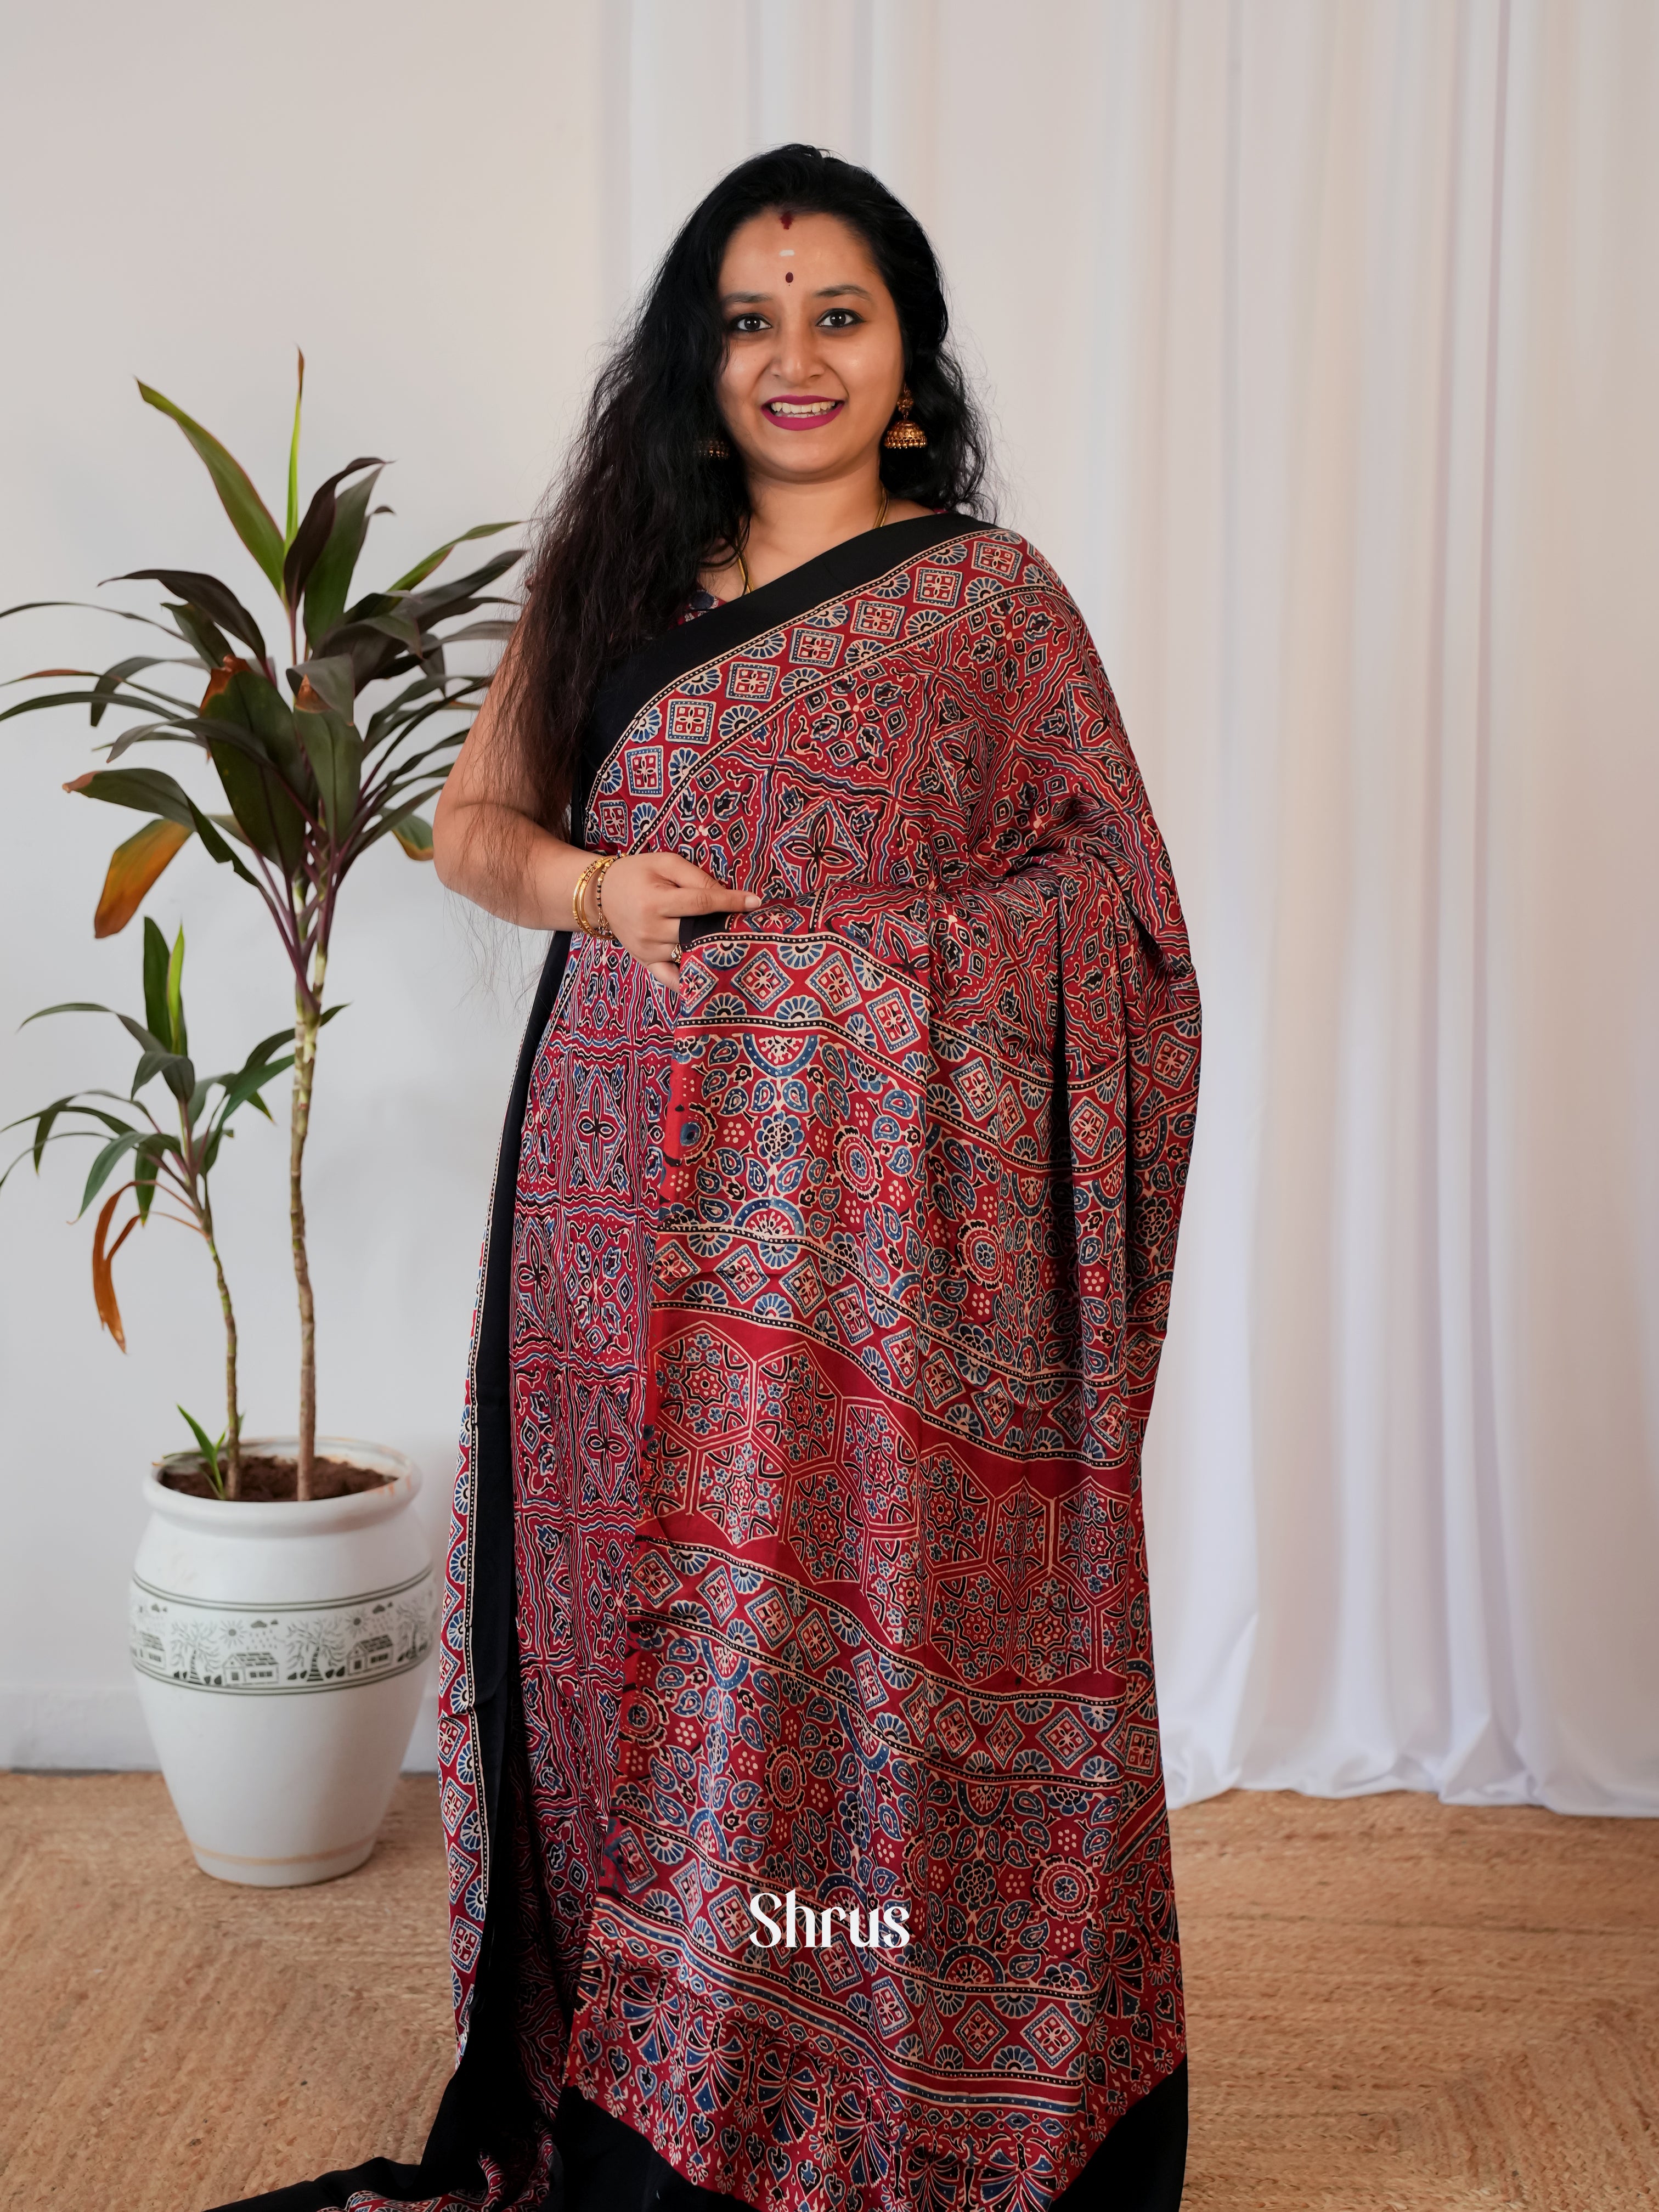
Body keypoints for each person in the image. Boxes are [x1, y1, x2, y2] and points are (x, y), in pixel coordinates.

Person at [217, 144, 1200, 2212]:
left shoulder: (992, 612)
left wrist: (866, 974)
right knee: (625, 1646)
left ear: (912, 365)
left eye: (839, 315)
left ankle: (893, 2060)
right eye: (749, 322)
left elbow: (1116, 919)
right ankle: (658, 2085)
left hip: (894, 1273)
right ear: (696, 363)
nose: (796, 357)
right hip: (617, 1220)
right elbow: (473, 829)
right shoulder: (616, 588)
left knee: (866, 1643)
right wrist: (597, 885)